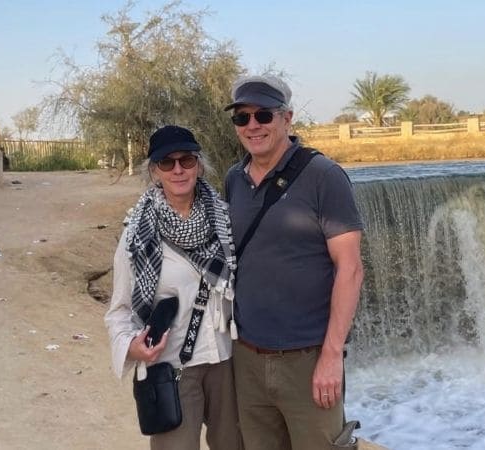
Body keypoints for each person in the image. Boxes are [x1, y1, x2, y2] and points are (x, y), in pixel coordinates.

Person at [223, 74, 365, 449]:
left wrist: (332, 356)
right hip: (247, 359)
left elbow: (350, 268)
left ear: (287, 119)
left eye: (263, 116)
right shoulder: (233, 180)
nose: (253, 126)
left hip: (308, 361)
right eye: (242, 118)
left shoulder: (324, 177)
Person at [105, 125, 242, 450]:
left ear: (199, 165)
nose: (178, 169)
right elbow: (119, 311)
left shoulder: (226, 220)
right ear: (154, 171)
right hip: (174, 368)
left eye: (186, 160)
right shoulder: (137, 236)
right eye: (167, 162)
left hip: (228, 361)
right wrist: (131, 347)